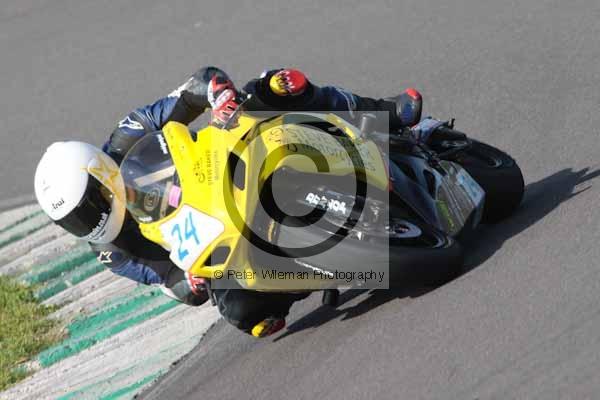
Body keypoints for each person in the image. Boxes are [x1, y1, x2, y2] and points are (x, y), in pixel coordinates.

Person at [34, 67, 423, 338]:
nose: (91, 223)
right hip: (217, 235)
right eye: (74, 222)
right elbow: (166, 279)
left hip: (218, 164)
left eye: (88, 207)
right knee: (246, 313)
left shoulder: (127, 136)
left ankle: (383, 113)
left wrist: (217, 95)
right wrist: (189, 283)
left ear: (100, 174)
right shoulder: (112, 251)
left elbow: (194, 87)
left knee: (275, 85)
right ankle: (328, 269)